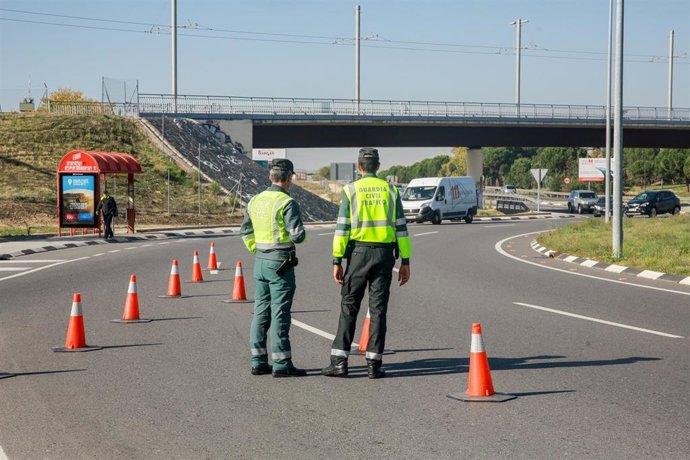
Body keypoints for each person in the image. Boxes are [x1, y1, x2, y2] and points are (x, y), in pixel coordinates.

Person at [322, 148, 412, 379]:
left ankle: (339, 363)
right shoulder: (391, 190)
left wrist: (337, 260)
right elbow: (401, 228)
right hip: (384, 256)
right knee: (378, 310)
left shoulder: (350, 190)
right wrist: (405, 260)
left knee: (349, 307)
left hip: (358, 255)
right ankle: (374, 364)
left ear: (359, 167)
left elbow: (342, 228)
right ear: (378, 166)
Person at [241, 159, 308, 378]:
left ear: (270, 176)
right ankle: (282, 364)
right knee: (280, 313)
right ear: (289, 178)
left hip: (260, 261)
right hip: (280, 263)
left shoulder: (254, 201)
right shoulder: (287, 203)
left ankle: (258, 361)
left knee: (260, 311)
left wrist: (256, 250)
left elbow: (245, 232)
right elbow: (298, 236)